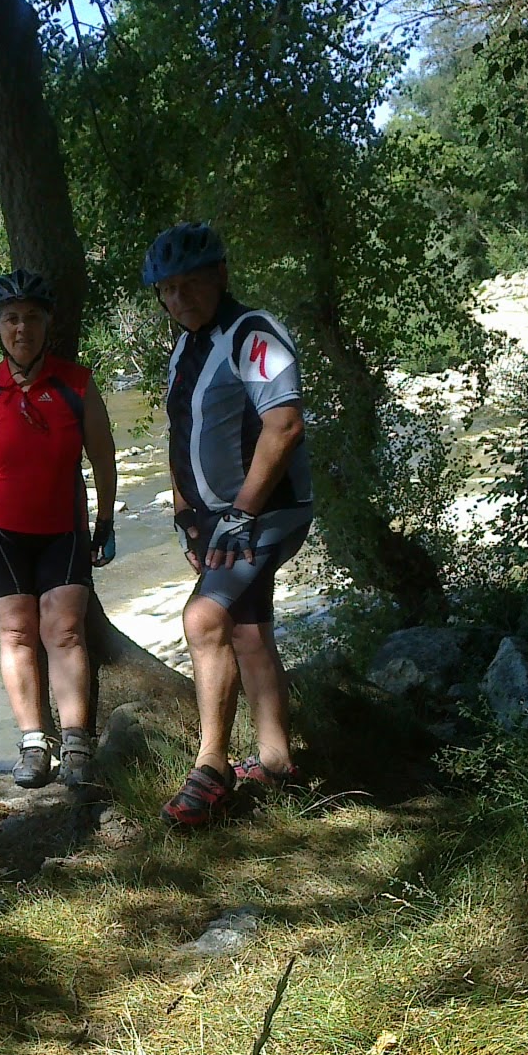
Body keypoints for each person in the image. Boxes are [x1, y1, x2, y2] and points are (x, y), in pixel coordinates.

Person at [142, 223, 314, 826]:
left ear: (220, 276)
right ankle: (275, 762)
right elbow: (179, 435)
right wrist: (186, 512)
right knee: (246, 628)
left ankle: (210, 769)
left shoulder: (253, 333)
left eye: (190, 284)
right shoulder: (184, 351)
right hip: (221, 518)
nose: (178, 298)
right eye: (167, 289)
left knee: (204, 616)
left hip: (269, 510)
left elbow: (284, 425)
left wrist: (238, 515)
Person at [0, 270, 118, 789]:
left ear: (48, 324)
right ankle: (32, 741)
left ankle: (75, 742)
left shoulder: (77, 385)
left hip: (62, 530)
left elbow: (104, 457)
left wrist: (106, 520)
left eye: (31, 318)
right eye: (10, 319)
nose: (21, 328)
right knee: (16, 634)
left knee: (64, 631)